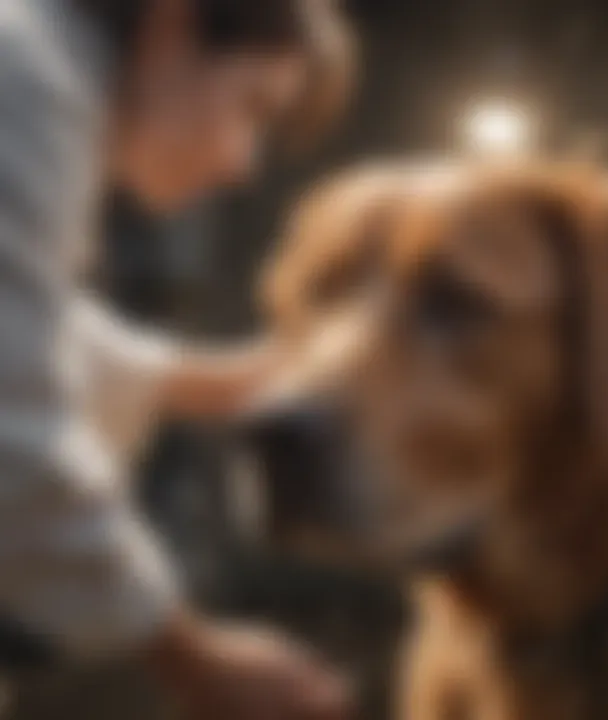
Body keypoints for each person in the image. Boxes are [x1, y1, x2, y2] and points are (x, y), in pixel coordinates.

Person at [0, 0, 355, 718]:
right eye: (253, 107)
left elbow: (37, 327)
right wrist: (192, 657)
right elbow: (11, 424)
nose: (240, 165)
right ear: (173, 22)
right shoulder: (28, 85)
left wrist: (228, 380)